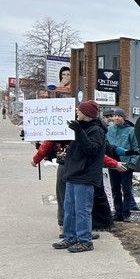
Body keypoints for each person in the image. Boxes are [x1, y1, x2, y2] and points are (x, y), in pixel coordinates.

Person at [52, 101, 107, 253]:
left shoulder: (97, 130)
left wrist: (79, 132)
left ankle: (85, 240)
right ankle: (70, 237)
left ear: (87, 113)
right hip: (73, 174)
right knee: (69, 209)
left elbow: (92, 150)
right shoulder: (81, 127)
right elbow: (77, 150)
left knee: (82, 210)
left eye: (80, 110)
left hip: (85, 176)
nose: (77, 111)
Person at [105, 108, 139, 222]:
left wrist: (132, 163)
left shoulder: (131, 130)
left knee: (126, 189)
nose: (116, 118)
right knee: (115, 189)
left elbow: (136, 148)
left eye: (119, 116)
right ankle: (118, 212)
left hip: (126, 163)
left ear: (124, 117)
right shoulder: (109, 129)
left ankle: (126, 212)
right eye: (114, 116)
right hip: (112, 163)